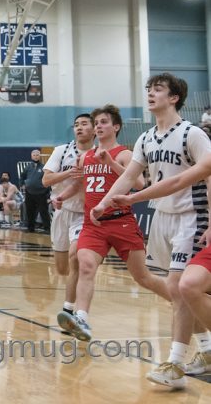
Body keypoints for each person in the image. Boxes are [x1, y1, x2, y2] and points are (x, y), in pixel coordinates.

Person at [91, 74, 211, 388]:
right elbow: (130, 175)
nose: (150, 94)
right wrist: (104, 204)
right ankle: (208, 351)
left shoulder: (192, 134)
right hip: (162, 218)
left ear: (174, 98)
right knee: (177, 290)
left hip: (192, 216)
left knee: (178, 285)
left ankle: (175, 363)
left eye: (157, 89)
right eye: (148, 89)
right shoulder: (145, 139)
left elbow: (208, 175)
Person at [56, 105, 169, 344]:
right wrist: (61, 197)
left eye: (103, 122)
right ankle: (82, 318)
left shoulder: (124, 154)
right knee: (85, 265)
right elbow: (80, 185)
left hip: (121, 223)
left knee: (143, 278)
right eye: (96, 122)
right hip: (93, 223)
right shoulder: (84, 156)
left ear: (115, 127)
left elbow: (137, 183)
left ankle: (181, 299)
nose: (98, 126)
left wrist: (109, 162)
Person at [42, 113, 95, 328]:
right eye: (76, 125)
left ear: (93, 129)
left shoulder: (98, 154)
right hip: (61, 211)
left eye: (84, 124)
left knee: (77, 258)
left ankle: (69, 310)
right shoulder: (61, 151)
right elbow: (46, 180)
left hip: (83, 214)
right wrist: (68, 174)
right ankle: (72, 300)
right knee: (63, 268)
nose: (79, 128)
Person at [20, 149, 51, 232]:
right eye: (34, 155)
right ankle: (30, 228)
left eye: (37, 155)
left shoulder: (44, 167)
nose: (36, 156)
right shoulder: (28, 167)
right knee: (30, 211)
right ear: (31, 156)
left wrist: (47, 194)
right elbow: (22, 177)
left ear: (39, 156)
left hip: (41, 193)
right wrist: (22, 184)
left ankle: (47, 228)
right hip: (29, 192)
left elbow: (48, 179)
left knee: (43, 211)